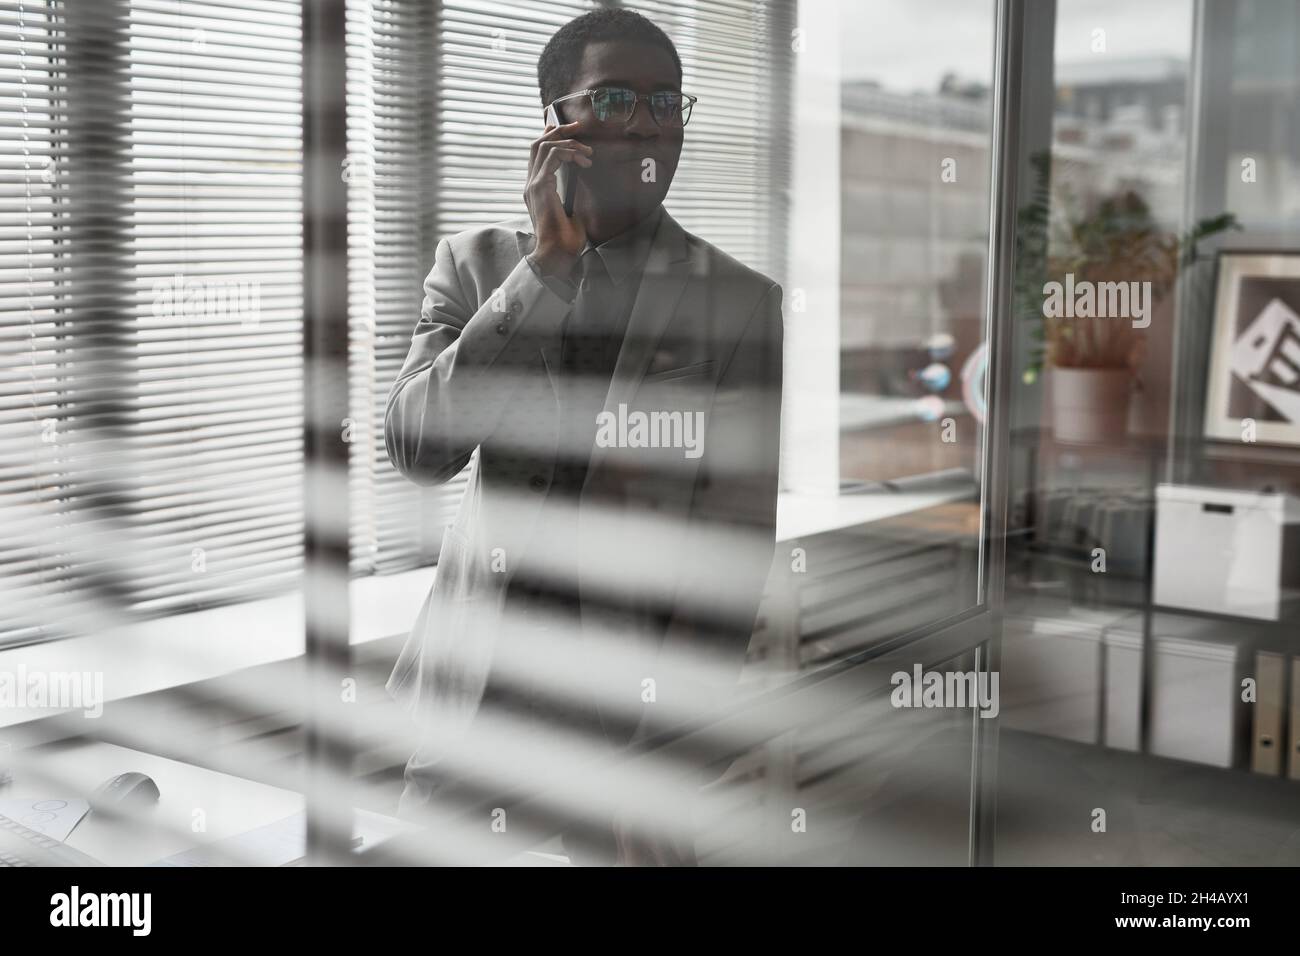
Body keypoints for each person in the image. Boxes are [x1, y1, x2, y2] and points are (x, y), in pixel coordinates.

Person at [384, 8, 783, 866]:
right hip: (472, 697)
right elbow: (420, 451)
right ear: (556, 124)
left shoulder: (742, 302)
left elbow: (737, 544)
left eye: (666, 102)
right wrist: (546, 271)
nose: (646, 124)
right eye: (613, 98)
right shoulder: (476, 266)